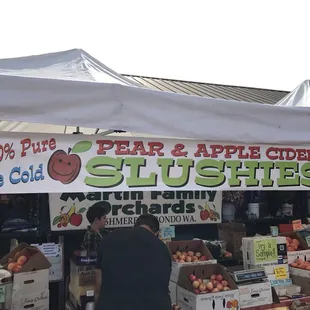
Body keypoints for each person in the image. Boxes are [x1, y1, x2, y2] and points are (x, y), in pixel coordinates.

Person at [95, 214, 172, 310]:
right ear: (156, 233)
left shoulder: (109, 238)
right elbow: (164, 284)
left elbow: (98, 282)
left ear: (135, 226)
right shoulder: (163, 248)